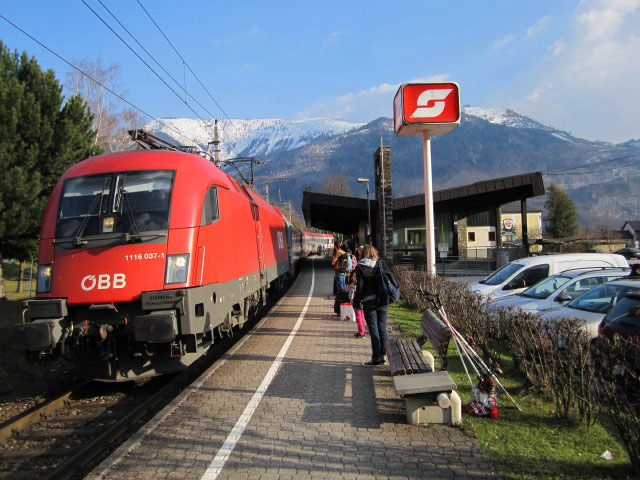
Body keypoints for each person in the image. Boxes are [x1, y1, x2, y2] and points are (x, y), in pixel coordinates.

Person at [352, 244, 388, 366]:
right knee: (382, 328)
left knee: (374, 330)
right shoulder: (381, 263)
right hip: (382, 301)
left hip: (369, 302)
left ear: (363, 254)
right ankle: (383, 356)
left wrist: (356, 302)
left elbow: (360, 287)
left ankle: (375, 358)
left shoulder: (361, 266)